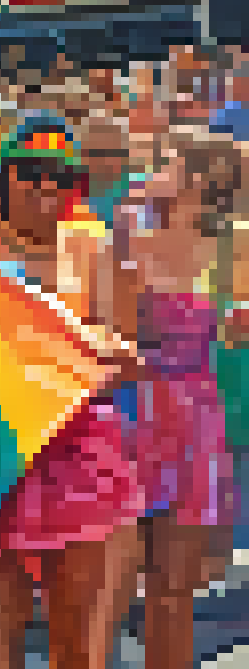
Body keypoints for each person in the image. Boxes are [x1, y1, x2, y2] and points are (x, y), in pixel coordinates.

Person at [0, 113, 145, 669]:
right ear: (3, 179)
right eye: (30, 174)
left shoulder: (90, 248)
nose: (46, 187)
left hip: (80, 449)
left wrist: (79, 361)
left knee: (76, 621)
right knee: (4, 609)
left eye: (59, 176)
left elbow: (123, 350)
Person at [118, 134, 242, 669]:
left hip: (192, 418)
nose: (153, 170)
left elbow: (236, 331)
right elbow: (108, 326)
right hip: (127, 412)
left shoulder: (231, 246)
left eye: (166, 162)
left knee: (173, 591)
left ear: (198, 182)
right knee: (112, 584)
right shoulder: (125, 236)